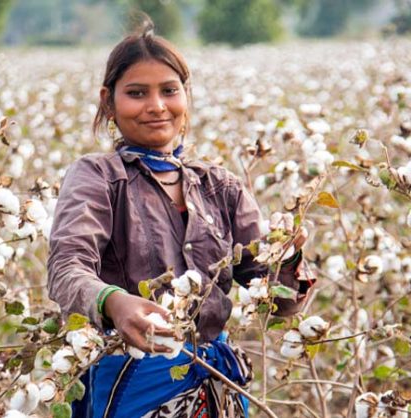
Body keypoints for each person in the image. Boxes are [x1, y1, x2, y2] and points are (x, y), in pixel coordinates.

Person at [47, 19, 314, 418]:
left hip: (215, 383)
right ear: (109, 101)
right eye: (137, 93)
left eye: (169, 91)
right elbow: (66, 268)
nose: (156, 106)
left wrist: (288, 257)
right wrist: (114, 303)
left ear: (185, 96)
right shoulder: (98, 177)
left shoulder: (219, 186)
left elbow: (275, 298)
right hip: (132, 382)